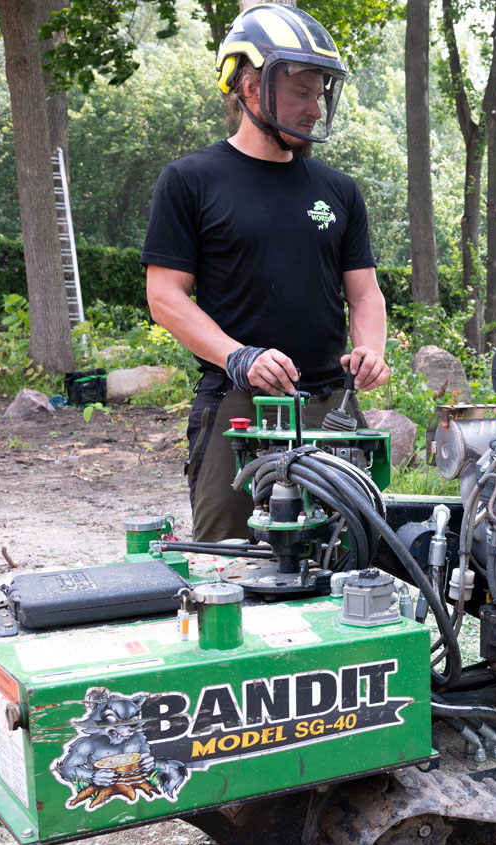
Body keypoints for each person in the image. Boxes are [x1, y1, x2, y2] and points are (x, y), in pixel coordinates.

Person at [142, 2, 392, 543]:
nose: (315, 108)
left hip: (333, 409)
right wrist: (238, 355)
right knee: (227, 563)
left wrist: (370, 348)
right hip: (238, 405)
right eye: (302, 90)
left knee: (352, 557)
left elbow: (365, 294)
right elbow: (164, 296)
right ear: (251, 87)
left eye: (321, 92)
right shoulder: (190, 180)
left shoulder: (339, 191)